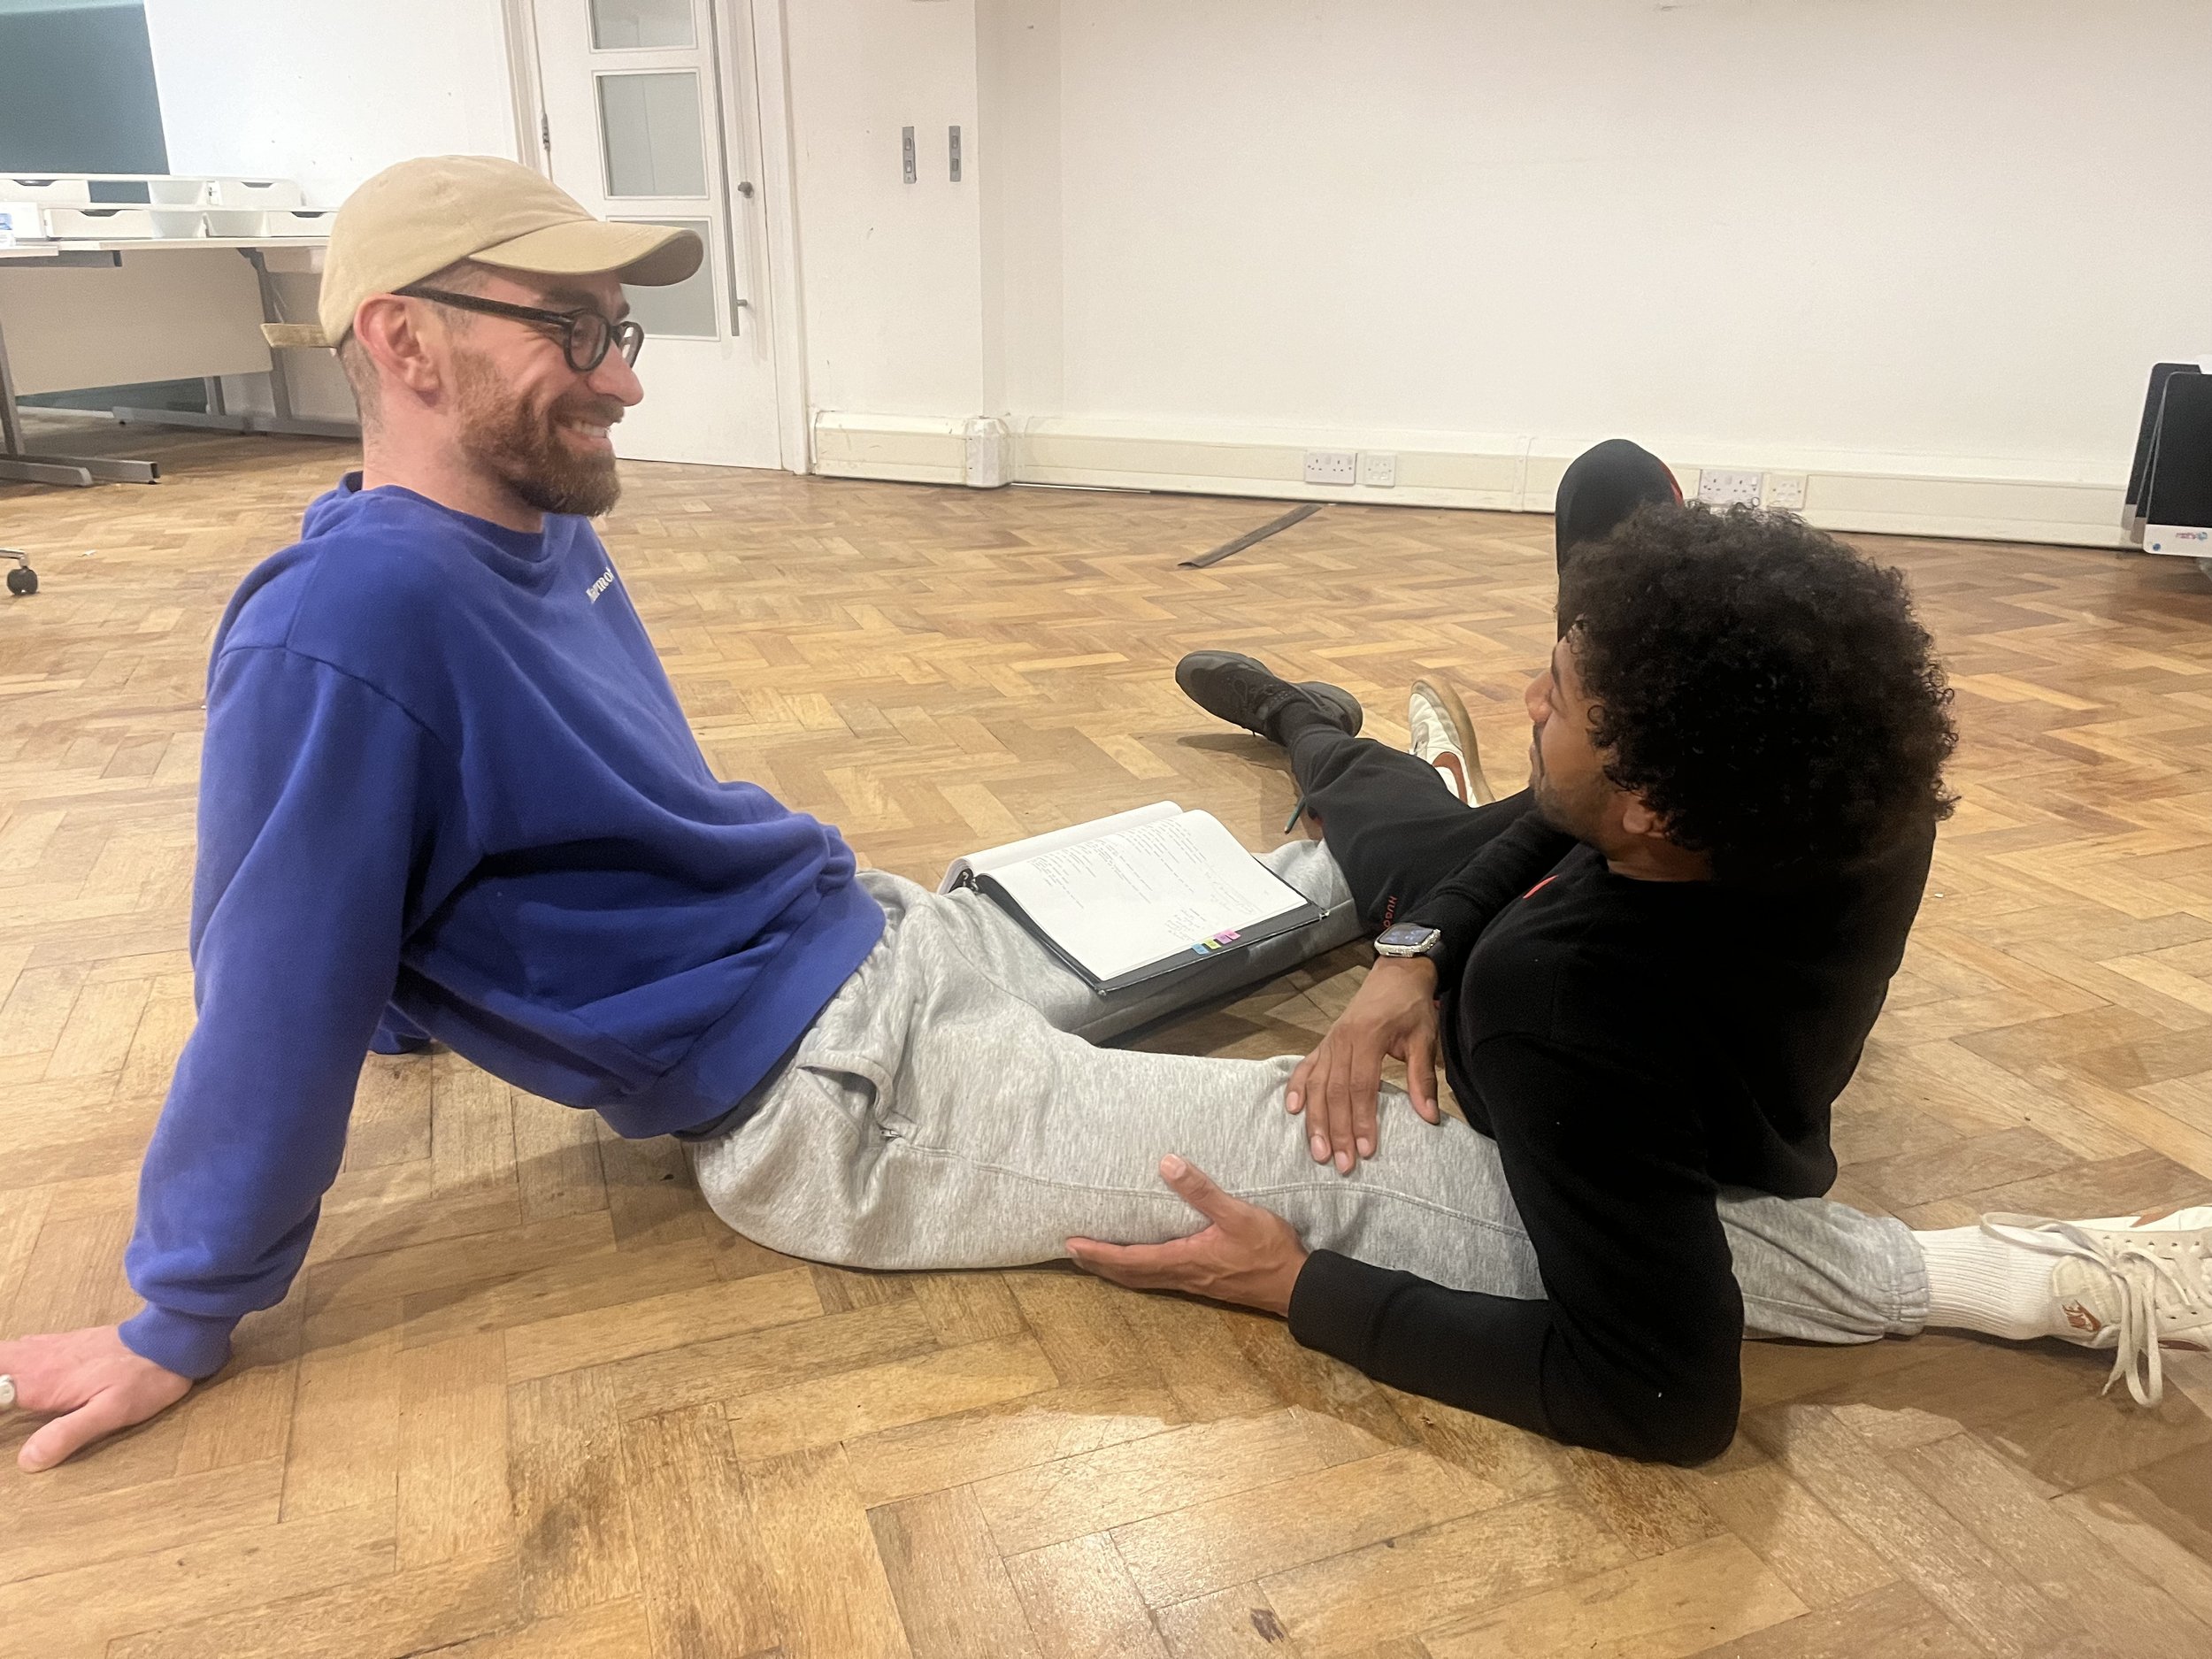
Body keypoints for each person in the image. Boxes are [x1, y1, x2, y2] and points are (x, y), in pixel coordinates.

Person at [3, 157, 2200, 1473]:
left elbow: (507, 835)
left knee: (1267, 895)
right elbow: (266, 977)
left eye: (620, 324)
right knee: (1420, 1183)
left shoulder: (531, 536)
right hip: (829, 1102)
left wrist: (1414, 943)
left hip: (875, 931)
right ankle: (2026, 1277)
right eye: (570, 328)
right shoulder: (347, 620)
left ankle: (1364, 797)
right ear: (401, 342)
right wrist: (182, 1309)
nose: (628, 367)